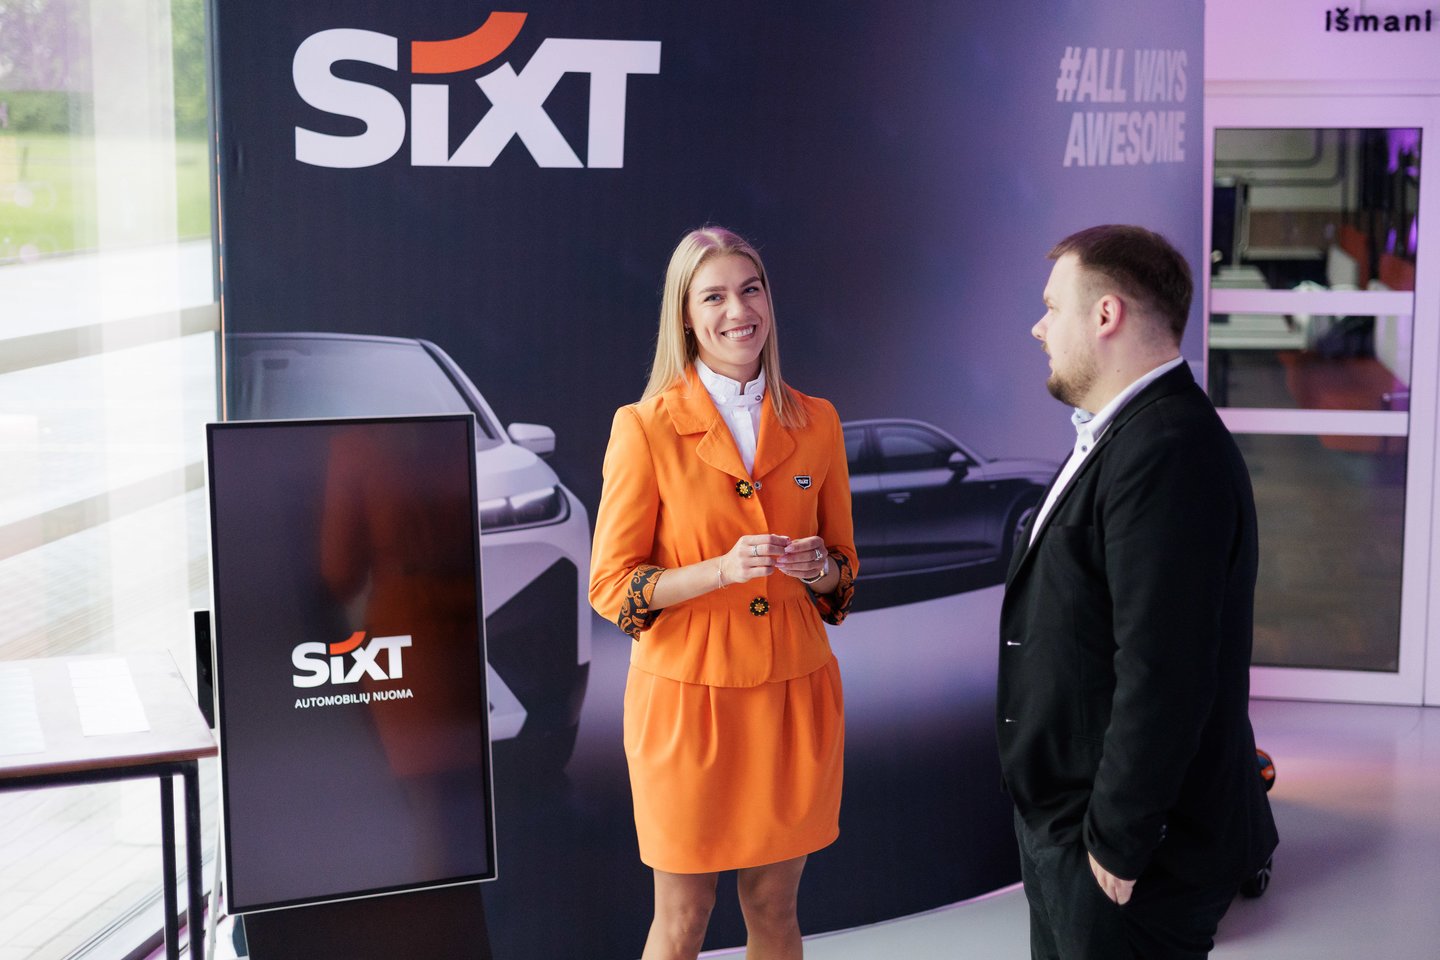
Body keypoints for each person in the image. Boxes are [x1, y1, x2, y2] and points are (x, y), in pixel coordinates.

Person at [997, 224, 1278, 960]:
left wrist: (1118, 844)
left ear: (1106, 314)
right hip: (1077, 828)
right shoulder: (1127, 435)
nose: (1038, 328)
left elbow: (1165, 668)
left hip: (1127, 857)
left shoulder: (1167, 451)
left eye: (1052, 307)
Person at [589, 226, 857, 960]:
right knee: (683, 918)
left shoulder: (819, 421)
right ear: (685, 316)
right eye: (713, 296)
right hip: (687, 706)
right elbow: (611, 588)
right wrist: (720, 570)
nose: (738, 311)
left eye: (750, 289)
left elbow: (842, 576)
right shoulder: (643, 428)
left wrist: (817, 568)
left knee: (774, 907)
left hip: (794, 694)